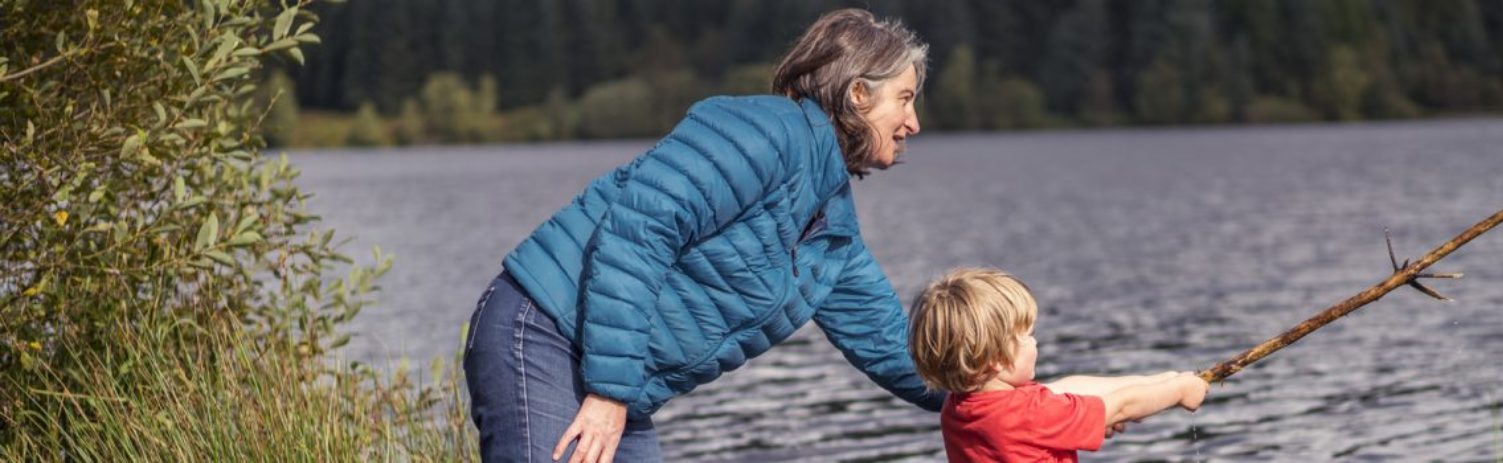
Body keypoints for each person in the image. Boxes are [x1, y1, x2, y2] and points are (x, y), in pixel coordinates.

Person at [462, 9, 937, 463]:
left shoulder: (831, 229)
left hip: (617, 379)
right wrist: (609, 390)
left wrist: (1001, 395)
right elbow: (638, 236)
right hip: (547, 330)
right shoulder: (765, 133)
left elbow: (893, 347)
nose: (913, 123)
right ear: (858, 94)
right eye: (905, 98)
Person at [908, 268, 1209, 462]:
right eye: (1027, 336)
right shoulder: (1030, 414)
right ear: (996, 359)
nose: (1035, 342)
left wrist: (1157, 383)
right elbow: (1120, 407)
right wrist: (1180, 391)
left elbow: (1064, 388)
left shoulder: (961, 407)